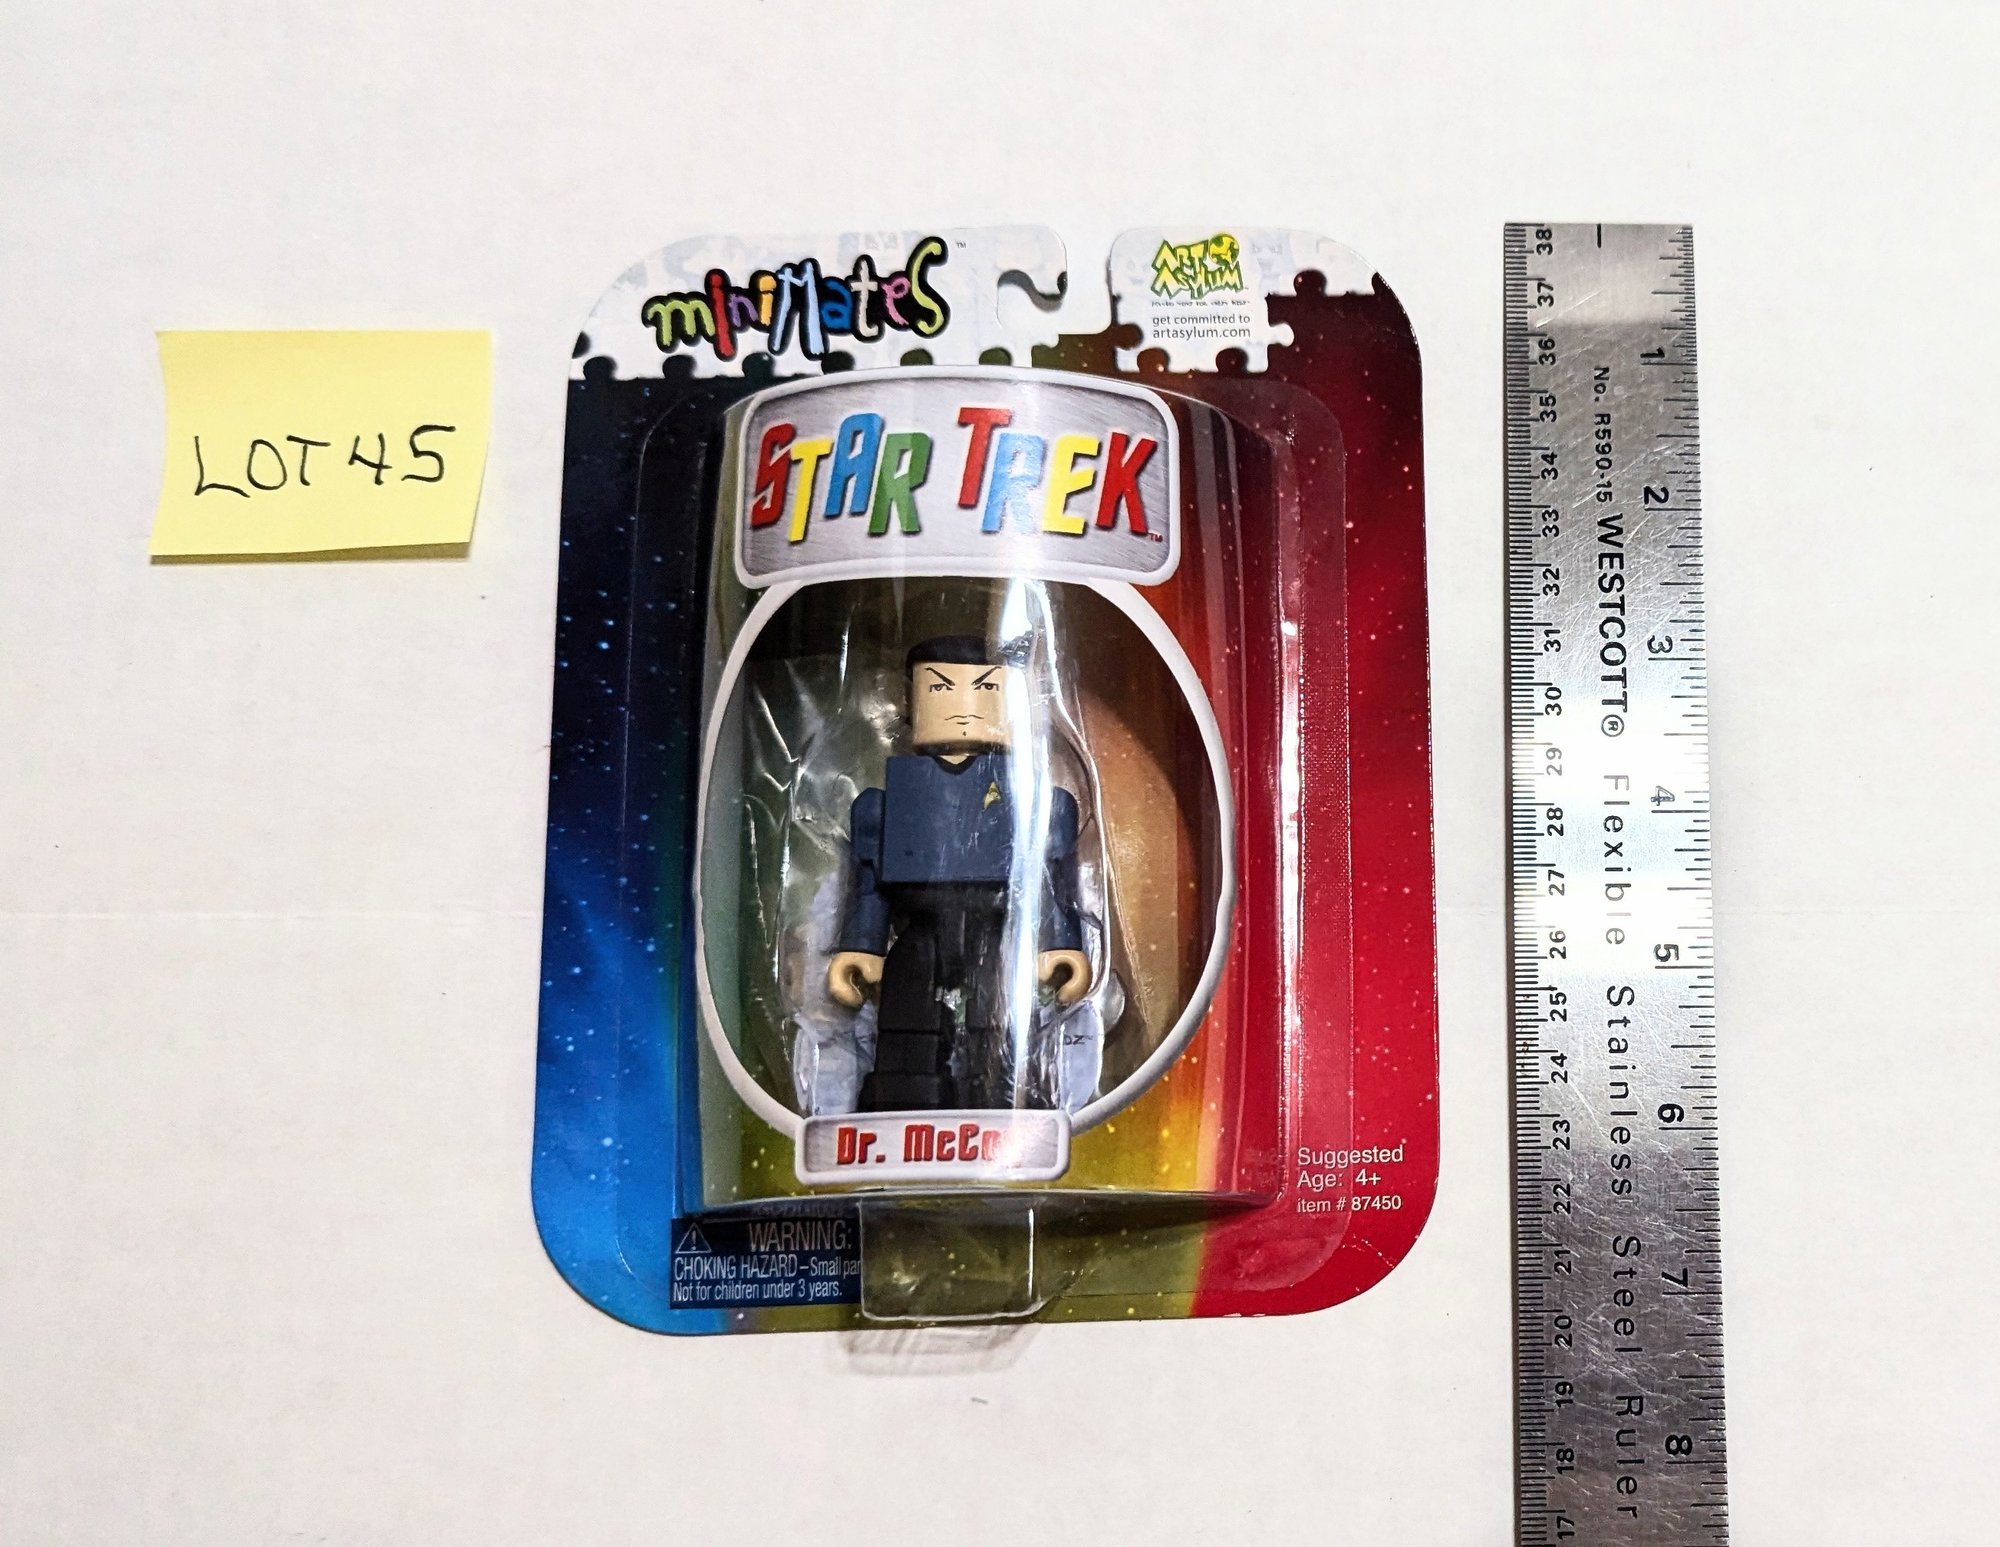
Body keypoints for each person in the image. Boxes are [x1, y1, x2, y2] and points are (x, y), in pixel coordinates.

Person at [826, 635, 1093, 1110]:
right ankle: (904, 1091)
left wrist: (1059, 941)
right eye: (939, 689)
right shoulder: (888, 801)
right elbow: (871, 886)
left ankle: (1007, 1091)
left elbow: (1046, 880)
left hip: (997, 930)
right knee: (908, 1009)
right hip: (919, 930)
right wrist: (861, 945)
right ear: (911, 704)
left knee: (999, 1018)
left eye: (988, 689)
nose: (964, 708)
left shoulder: (1031, 800)